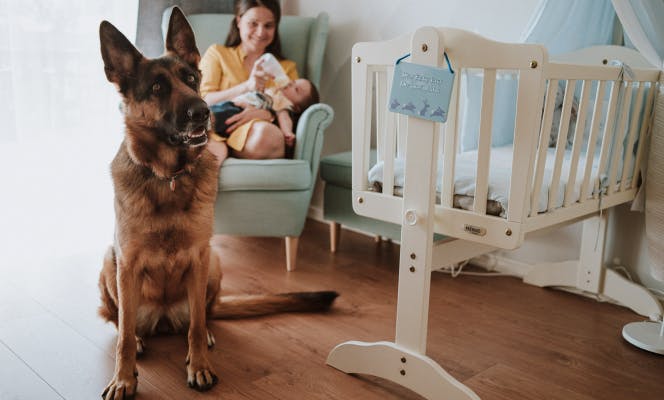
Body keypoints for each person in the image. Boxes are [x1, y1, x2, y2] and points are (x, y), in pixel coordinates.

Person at [199, 0, 304, 164]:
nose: (261, 32)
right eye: (253, 23)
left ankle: (234, 149)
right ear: (239, 21)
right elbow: (203, 101)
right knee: (207, 148)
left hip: (254, 135)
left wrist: (267, 114)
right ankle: (225, 149)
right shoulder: (217, 54)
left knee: (267, 136)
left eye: (268, 26)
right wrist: (247, 86)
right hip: (214, 128)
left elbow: (294, 109)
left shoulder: (286, 68)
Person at [210, 78, 319, 149]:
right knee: (212, 111)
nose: (290, 84)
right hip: (233, 104)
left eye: (296, 90)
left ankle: (198, 126)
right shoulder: (275, 90)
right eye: (293, 82)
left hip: (238, 111)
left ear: (296, 108)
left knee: (215, 117)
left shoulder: (283, 103)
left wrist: (287, 132)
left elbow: (284, 117)